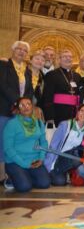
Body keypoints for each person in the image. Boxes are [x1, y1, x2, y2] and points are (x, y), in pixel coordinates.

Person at [0, 41, 34, 182]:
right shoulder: (4, 65)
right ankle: (1, 173)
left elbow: (29, 90)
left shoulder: (27, 70)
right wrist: (17, 102)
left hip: (20, 112)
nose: (21, 52)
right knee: (3, 141)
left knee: (16, 142)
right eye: (19, 49)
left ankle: (13, 173)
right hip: (5, 109)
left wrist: (26, 105)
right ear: (13, 50)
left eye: (24, 50)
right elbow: (2, 85)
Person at [3, 97, 50, 192]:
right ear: (18, 108)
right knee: (24, 187)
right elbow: (8, 148)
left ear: (32, 106)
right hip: (15, 161)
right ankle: (11, 179)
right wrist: (24, 164)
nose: (26, 107)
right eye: (22, 105)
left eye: (28, 104)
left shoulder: (39, 122)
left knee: (45, 184)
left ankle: (24, 176)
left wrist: (41, 159)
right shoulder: (12, 124)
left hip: (34, 160)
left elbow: (43, 143)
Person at [44, 103, 84, 186]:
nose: (83, 114)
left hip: (75, 160)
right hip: (59, 159)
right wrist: (48, 165)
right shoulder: (65, 125)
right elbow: (53, 146)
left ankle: (70, 174)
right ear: (78, 112)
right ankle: (49, 173)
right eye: (82, 111)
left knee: (65, 180)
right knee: (59, 182)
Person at [43, 49, 82, 126]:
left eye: (70, 57)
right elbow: (47, 96)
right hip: (58, 112)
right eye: (65, 57)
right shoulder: (51, 75)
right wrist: (49, 116)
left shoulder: (77, 76)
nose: (68, 58)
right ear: (59, 60)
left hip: (73, 112)